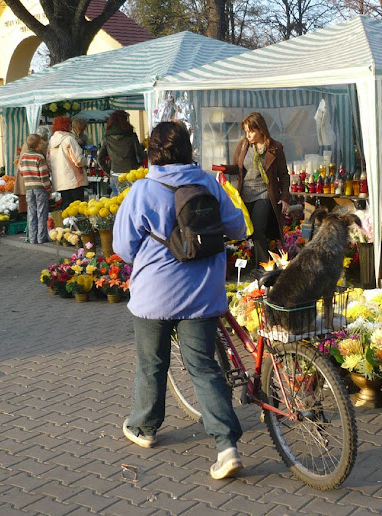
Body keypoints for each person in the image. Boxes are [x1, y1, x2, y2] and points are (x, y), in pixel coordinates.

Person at [113, 121, 247, 480]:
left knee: (152, 363)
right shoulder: (208, 184)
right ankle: (227, 447)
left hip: (154, 296)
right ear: (189, 149)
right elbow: (238, 228)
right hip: (202, 294)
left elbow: (123, 247)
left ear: (152, 153)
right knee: (204, 367)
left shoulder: (142, 190)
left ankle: (144, 427)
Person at [213, 112, 290, 267]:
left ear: (261, 130)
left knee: (258, 228)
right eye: (246, 131)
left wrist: (285, 197)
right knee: (246, 230)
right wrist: (224, 168)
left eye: (251, 131)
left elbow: (284, 175)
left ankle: (265, 267)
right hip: (245, 193)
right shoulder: (244, 145)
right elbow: (238, 168)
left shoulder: (275, 148)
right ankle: (254, 265)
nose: (248, 135)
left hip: (265, 194)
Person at [97, 110, 145, 195]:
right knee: (133, 197)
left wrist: (109, 172)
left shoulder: (107, 138)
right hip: (132, 173)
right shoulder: (131, 136)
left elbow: (100, 158)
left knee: (116, 199)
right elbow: (140, 155)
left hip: (115, 174)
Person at [48, 116, 88, 209]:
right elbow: (78, 160)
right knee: (78, 208)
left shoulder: (51, 141)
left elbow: (48, 162)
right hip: (74, 180)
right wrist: (85, 160)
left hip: (60, 181)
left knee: (66, 207)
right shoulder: (69, 139)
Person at [18, 134, 51, 244]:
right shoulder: (39, 157)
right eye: (40, 143)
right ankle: (41, 237)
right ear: (38, 145)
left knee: (31, 213)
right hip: (40, 188)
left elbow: (21, 171)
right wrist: (49, 190)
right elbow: (44, 176)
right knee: (42, 213)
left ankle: (32, 238)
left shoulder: (24, 157)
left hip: (28, 188)